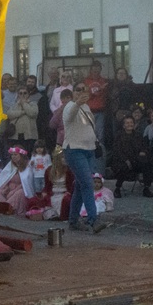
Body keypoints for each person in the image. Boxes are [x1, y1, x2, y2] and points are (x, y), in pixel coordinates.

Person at [62, 83, 108, 234]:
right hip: (75, 150)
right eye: (78, 90)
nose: (81, 92)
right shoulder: (70, 106)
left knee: (80, 186)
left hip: (88, 150)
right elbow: (69, 116)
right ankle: (93, 220)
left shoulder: (87, 107)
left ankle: (73, 221)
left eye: (84, 89)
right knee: (87, 183)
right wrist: (77, 103)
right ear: (73, 93)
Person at [110, 115, 153, 198]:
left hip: (136, 159)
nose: (129, 124)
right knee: (123, 167)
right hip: (122, 160)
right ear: (123, 125)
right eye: (127, 123)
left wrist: (143, 151)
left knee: (147, 163)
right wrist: (126, 160)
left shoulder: (138, 135)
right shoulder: (119, 136)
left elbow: (144, 146)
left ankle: (146, 188)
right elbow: (117, 150)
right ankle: (117, 188)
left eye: (131, 122)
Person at [0, 146, 36, 215]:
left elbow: (26, 183)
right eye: (12, 155)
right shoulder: (10, 165)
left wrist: (13, 191)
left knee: (20, 193)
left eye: (15, 155)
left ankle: (8, 208)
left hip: (20, 190)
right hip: (9, 190)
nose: (13, 157)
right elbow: (6, 179)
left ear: (21, 155)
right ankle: (2, 208)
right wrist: (6, 188)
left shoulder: (28, 166)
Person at [6, 86, 38, 153]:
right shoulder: (14, 105)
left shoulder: (33, 104)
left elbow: (32, 113)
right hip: (15, 135)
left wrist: (24, 103)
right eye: (20, 93)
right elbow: (9, 114)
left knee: (27, 153)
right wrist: (22, 112)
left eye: (25, 93)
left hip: (29, 135)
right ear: (18, 94)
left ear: (28, 94)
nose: (22, 95)